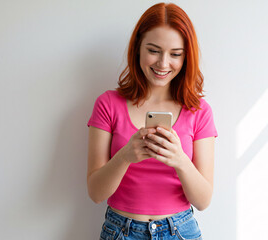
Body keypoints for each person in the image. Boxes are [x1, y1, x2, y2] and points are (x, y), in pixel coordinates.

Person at [87, 2, 218, 239]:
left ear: (186, 57)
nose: (163, 63)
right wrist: (126, 156)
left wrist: (179, 160)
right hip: (121, 230)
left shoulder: (199, 111)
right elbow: (96, 193)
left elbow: (203, 200)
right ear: (138, 48)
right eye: (154, 50)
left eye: (175, 54)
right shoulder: (107, 104)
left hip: (180, 230)